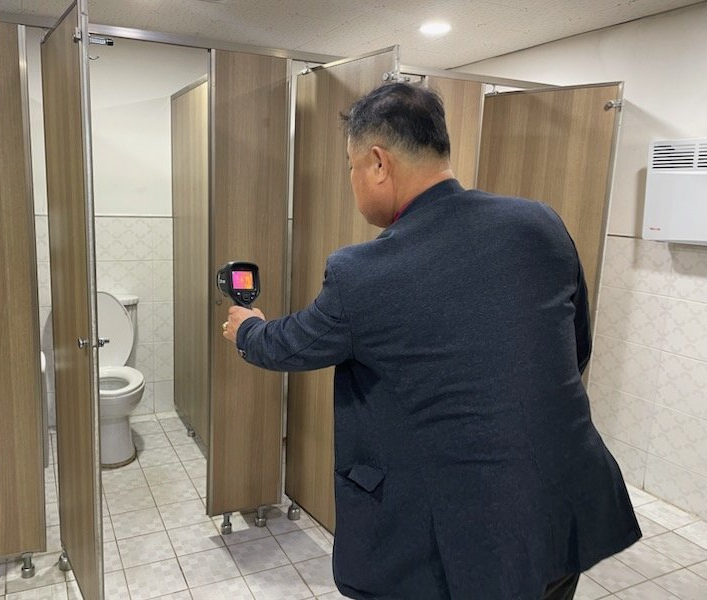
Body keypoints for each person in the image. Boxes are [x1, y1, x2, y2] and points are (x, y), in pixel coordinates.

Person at [221, 82, 641, 600]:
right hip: (562, 508)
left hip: (461, 539)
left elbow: (292, 345)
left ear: (378, 163)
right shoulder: (539, 224)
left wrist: (246, 328)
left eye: (351, 167)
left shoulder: (362, 272)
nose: (352, 181)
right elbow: (576, 349)